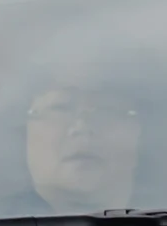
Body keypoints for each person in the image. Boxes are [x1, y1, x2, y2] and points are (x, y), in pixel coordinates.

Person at [21, 83, 143, 212]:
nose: (82, 127)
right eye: (61, 109)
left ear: (138, 133)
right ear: (25, 132)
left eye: (106, 110)